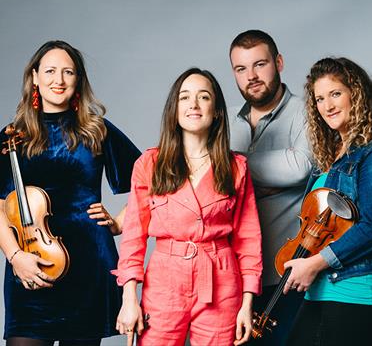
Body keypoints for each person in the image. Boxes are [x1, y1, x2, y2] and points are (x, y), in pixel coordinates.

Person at [0, 40, 141, 346]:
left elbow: (153, 182)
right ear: (35, 77)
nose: (58, 80)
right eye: (50, 71)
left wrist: (119, 222)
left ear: (78, 80)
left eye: (68, 72)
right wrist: (15, 257)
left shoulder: (97, 130)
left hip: (89, 267)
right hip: (30, 262)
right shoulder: (14, 136)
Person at [112, 68, 263, 346]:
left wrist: (247, 302)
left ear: (216, 110)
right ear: (175, 109)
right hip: (164, 282)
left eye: (203, 97)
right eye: (184, 97)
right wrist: (129, 298)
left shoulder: (236, 167)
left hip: (221, 281)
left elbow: (248, 240)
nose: (193, 104)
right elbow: (134, 236)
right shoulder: (150, 164)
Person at [284, 57, 372, 346]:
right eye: (320, 98)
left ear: (357, 94)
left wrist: (315, 263)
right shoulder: (332, 159)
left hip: (358, 294)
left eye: (336, 93)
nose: (328, 105)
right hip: (325, 291)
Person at [228, 30, 312, 345]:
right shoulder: (229, 125)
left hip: (287, 276)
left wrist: (235, 167)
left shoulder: (307, 112)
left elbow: (301, 166)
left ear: (278, 62)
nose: (251, 76)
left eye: (260, 64)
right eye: (241, 69)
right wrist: (268, 179)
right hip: (237, 278)